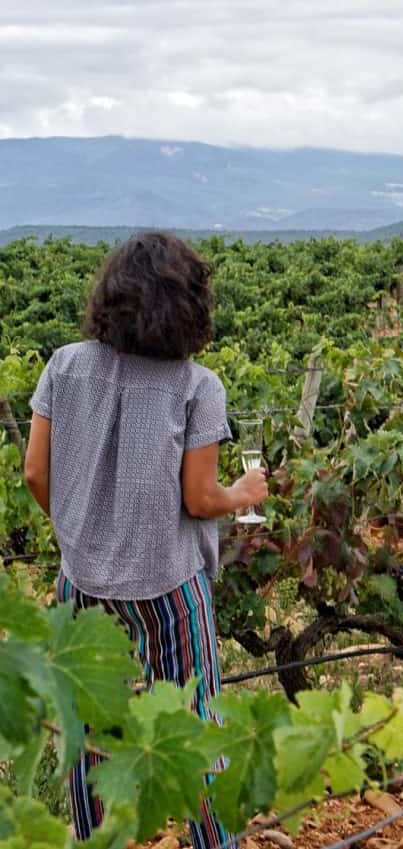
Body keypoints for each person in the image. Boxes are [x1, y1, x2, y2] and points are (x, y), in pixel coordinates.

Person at [24, 232, 267, 848]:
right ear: (189, 306)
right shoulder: (196, 385)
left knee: (89, 729)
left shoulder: (64, 365)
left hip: (80, 583)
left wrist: (78, 531)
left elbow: (33, 471)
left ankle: (95, 840)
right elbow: (200, 498)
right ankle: (214, 841)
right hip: (166, 584)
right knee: (195, 726)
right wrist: (245, 492)